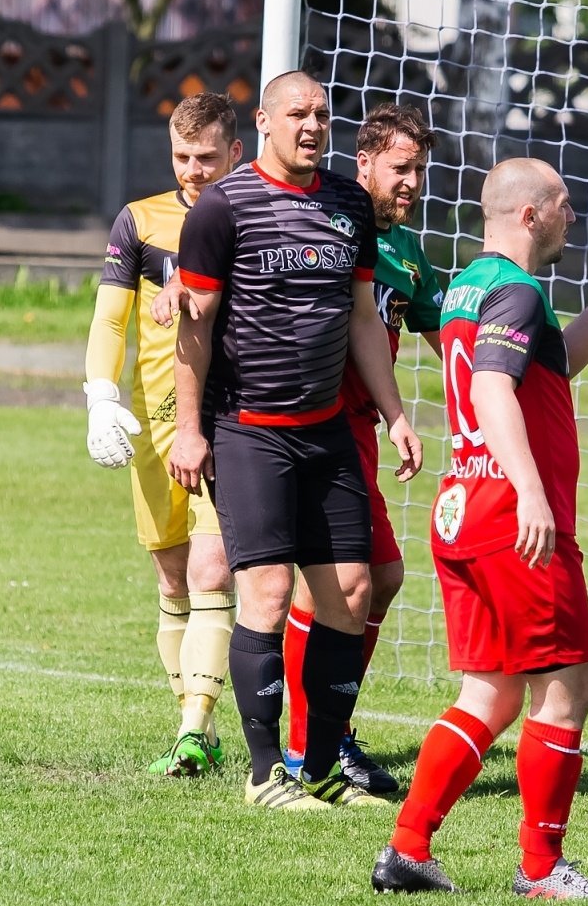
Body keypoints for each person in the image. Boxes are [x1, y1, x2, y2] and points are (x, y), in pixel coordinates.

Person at [371, 158, 588, 898]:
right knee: (565, 690)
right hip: (512, 517)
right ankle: (541, 868)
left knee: (489, 696)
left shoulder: (472, 285)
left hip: (464, 508)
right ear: (530, 215)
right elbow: (494, 385)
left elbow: (541, 371)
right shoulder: (519, 291)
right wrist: (532, 493)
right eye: (563, 204)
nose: (572, 217)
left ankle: (407, 849)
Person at [169, 71, 424, 810]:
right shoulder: (224, 207)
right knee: (269, 591)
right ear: (265, 120)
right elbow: (196, 324)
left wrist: (396, 412)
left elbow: (360, 319)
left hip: (326, 433)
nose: (312, 125)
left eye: (321, 113)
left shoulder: (348, 205)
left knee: (351, 590)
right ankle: (262, 773)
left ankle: (319, 768)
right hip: (249, 432)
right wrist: (189, 431)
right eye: (296, 113)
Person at [281, 103, 444, 795]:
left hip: (362, 433)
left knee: (378, 578)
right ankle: (306, 745)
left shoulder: (406, 253)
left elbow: (449, 332)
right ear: (365, 163)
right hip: (310, 426)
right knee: (349, 582)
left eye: (420, 171)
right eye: (401, 168)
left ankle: (329, 729)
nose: (411, 183)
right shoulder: (325, 221)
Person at [83, 92, 243, 776]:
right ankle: (195, 730)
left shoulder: (250, 215)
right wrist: (99, 395)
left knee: (213, 568)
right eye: (182, 156)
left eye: (206, 156)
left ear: (235, 152)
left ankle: (192, 725)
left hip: (227, 420)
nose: (194, 170)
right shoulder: (140, 222)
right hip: (153, 426)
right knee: (172, 577)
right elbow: (111, 320)